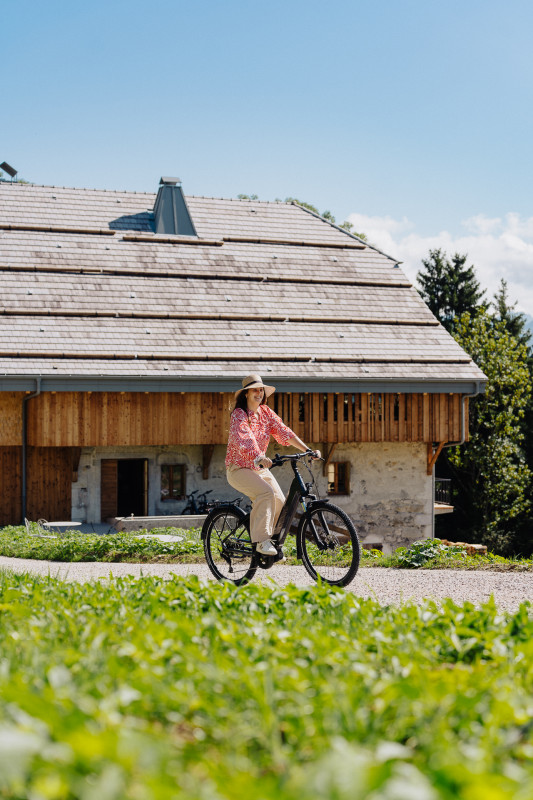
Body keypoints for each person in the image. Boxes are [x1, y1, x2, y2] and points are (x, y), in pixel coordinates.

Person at [225, 374, 321, 556]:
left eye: (261, 390)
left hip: (258, 468)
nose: (259, 393)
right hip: (238, 469)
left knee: (279, 502)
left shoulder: (266, 413)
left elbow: (284, 431)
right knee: (265, 493)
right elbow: (244, 438)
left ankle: (271, 545)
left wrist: (308, 449)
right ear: (246, 393)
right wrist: (260, 456)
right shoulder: (239, 414)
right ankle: (261, 541)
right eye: (255, 389)